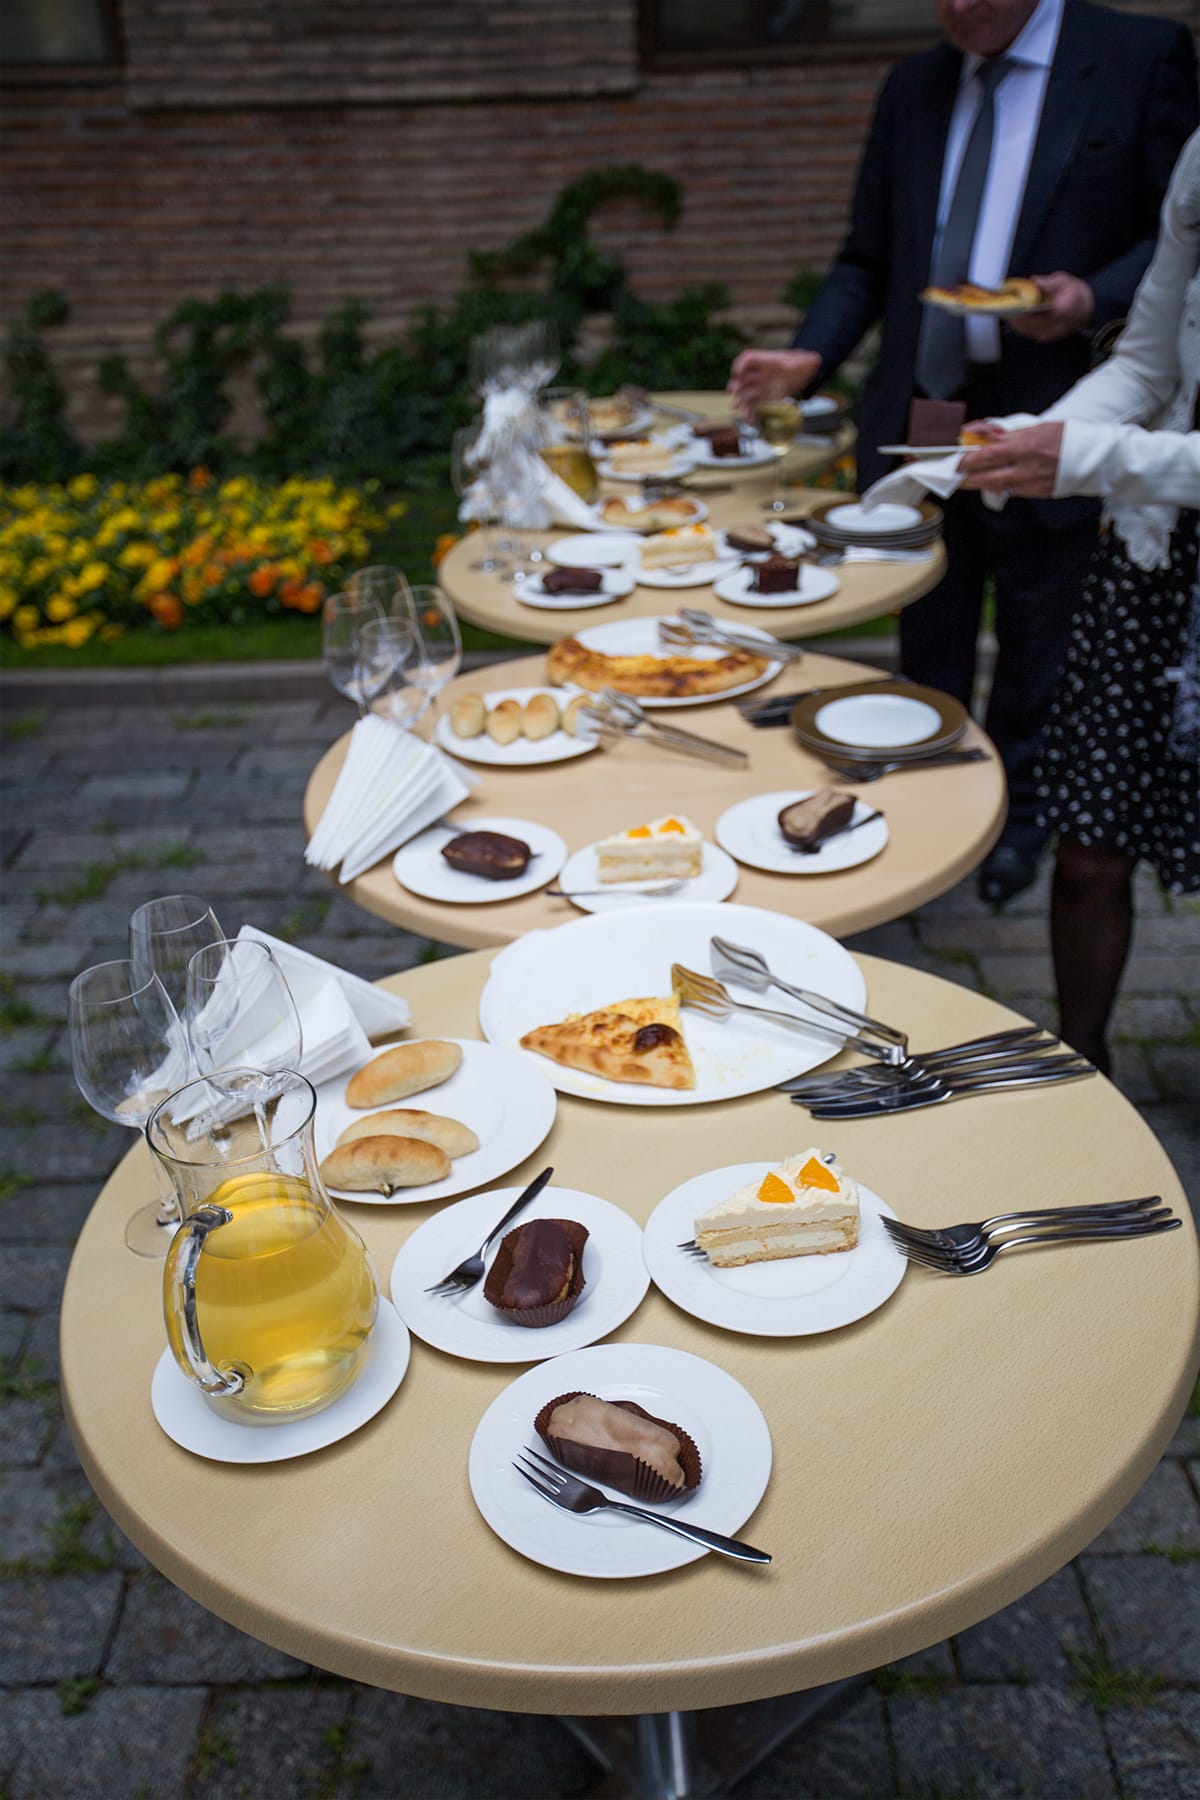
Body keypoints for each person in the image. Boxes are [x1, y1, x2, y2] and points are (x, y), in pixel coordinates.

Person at [729, 0, 1197, 904]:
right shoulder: (914, 84)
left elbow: (1170, 237)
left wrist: (1088, 295)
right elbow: (867, 257)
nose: (958, 8)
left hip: (1062, 406)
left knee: (1038, 641)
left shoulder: (1139, 55)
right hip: (923, 412)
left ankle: (1019, 825)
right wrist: (811, 354)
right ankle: (921, 821)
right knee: (927, 630)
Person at [955, 130, 1200, 1074]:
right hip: (1153, 551)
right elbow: (1146, 363)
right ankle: (1082, 1067)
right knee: (1090, 842)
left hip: (1141, 490)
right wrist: (1038, 435)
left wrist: (1087, 459)